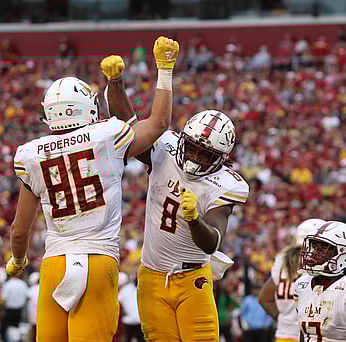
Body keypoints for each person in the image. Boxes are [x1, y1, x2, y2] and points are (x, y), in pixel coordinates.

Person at [5, 35, 179, 342]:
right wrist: (164, 70)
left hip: (55, 261)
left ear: (49, 112)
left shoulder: (31, 153)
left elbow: (20, 230)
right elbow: (158, 124)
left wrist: (18, 260)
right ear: (89, 106)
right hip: (98, 260)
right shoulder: (106, 134)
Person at [103, 64, 249, 340]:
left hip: (193, 277)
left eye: (204, 154)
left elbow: (212, 242)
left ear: (222, 158)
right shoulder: (166, 149)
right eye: (191, 147)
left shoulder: (226, 185)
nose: (193, 157)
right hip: (151, 277)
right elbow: (131, 128)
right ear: (183, 140)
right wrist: (116, 83)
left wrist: (194, 219)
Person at [258, 218, 326, 342]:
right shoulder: (317, 263)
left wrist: (284, 320)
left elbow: (264, 298)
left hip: (285, 334)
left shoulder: (281, 260)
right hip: (312, 335)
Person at [294, 221, 346, 342]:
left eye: (323, 248)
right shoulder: (302, 284)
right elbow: (304, 334)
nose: (313, 253)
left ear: (344, 253)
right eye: (314, 246)